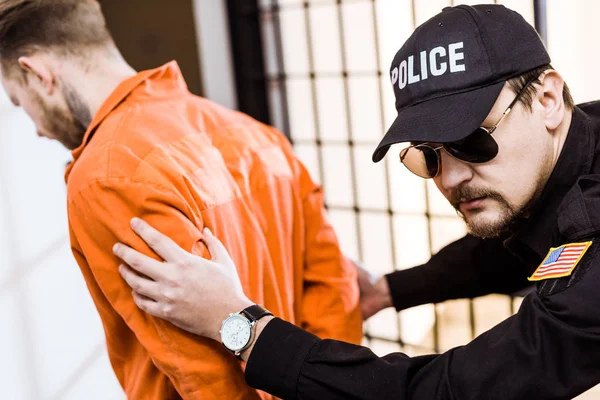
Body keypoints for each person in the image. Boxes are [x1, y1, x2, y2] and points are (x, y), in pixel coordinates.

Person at [114, 4, 600, 399]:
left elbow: (456, 390)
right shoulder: (576, 149)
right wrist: (387, 290)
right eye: (428, 156)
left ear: (547, 100)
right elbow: (526, 252)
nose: (449, 178)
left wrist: (242, 326)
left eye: (474, 139)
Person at [0, 0, 363, 399]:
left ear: (35, 74)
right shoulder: (257, 135)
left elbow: (205, 378)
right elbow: (337, 292)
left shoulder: (105, 177)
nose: (35, 129)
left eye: (20, 102)